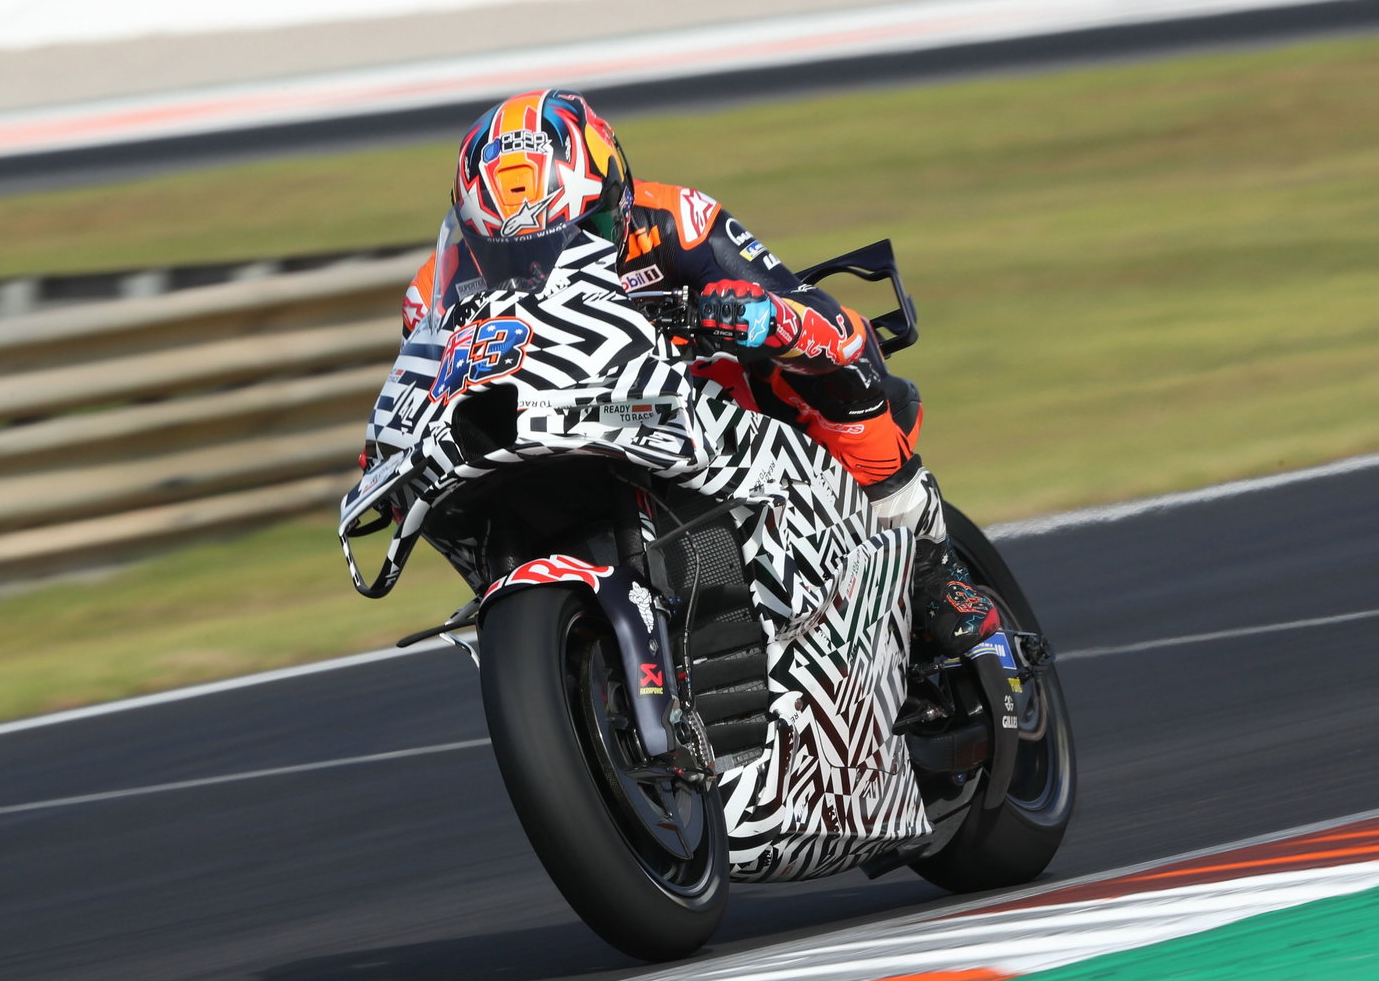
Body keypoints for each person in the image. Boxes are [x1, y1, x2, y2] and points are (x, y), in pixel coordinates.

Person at [400, 88, 998, 656]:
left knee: (823, 364)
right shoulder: (431, 291)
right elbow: (420, 391)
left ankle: (932, 570)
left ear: (613, 196)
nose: (536, 262)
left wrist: (762, 318)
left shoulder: (677, 219)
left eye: (573, 232)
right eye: (512, 253)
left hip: (688, 403)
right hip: (553, 424)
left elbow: (820, 316)